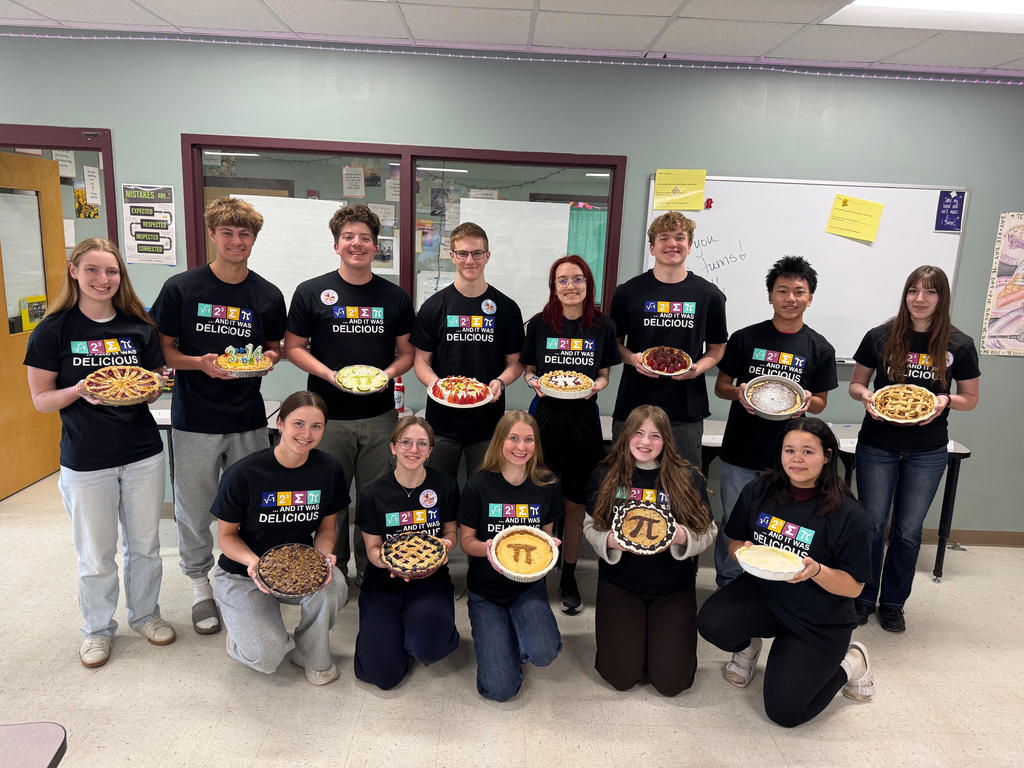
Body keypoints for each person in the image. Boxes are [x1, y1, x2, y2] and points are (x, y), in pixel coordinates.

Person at [24, 238, 174, 668]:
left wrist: (154, 385)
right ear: (74, 271)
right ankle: (97, 629)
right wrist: (79, 389)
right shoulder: (55, 330)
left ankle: (146, 614)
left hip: (143, 451)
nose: (103, 280)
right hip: (86, 457)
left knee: (145, 545)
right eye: (92, 270)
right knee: (95, 552)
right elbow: (41, 399)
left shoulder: (139, 327)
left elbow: (146, 391)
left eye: (111, 272)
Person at [150, 197, 286, 635]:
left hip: (248, 416)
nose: (236, 241)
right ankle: (198, 585)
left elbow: (275, 347)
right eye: (227, 233)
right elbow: (164, 349)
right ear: (212, 235)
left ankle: (244, 575)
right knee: (193, 507)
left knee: (253, 504)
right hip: (194, 417)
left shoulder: (266, 294)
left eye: (244, 234)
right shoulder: (182, 288)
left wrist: (268, 358)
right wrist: (200, 363)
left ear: (254, 240)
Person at [697, 419, 874, 728]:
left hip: (817, 618)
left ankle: (853, 662)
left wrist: (816, 571)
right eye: (789, 450)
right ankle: (748, 647)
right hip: (763, 595)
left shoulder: (850, 514)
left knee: (786, 712)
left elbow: (854, 587)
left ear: (827, 456)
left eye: (808, 451)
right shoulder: (760, 489)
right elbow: (735, 541)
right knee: (712, 622)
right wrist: (744, 553)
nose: (797, 459)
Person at [285, 204, 415, 581]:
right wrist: (328, 374)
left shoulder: (395, 297)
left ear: (377, 247)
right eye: (349, 237)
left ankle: (372, 567)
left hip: (379, 416)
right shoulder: (311, 292)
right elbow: (293, 347)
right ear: (336, 244)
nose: (357, 244)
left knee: (376, 496)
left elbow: (406, 353)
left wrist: (386, 375)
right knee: (332, 499)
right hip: (326, 417)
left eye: (365, 238)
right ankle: (334, 569)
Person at [848, 265, 980, 632]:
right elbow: (857, 385)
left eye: (930, 292)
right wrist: (868, 396)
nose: (920, 299)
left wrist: (944, 401)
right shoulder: (880, 336)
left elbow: (970, 398)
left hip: (928, 449)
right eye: (913, 291)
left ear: (942, 298)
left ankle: (892, 603)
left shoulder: (960, 344)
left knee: (907, 530)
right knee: (872, 525)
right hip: (877, 443)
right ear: (905, 294)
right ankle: (862, 596)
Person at [713, 256, 837, 586]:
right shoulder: (744, 338)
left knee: (779, 524)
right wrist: (738, 393)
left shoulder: (820, 347)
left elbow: (822, 403)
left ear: (810, 297)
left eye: (799, 291)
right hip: (741, 449)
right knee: (734, 521)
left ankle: (772, 585)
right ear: (770, 296)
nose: (790, 298)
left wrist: (810, 401)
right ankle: (729, 584)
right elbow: (721, 386)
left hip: (790, 456)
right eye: (782, 290)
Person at [211, 391, 348, 685]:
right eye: (298, 423)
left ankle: (309, 652)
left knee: (334, 583)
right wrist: (255, 563)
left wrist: (323, 556)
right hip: (242, 571)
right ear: (281, 423)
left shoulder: (329, 470)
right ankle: (242, 638)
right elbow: (226, 537)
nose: (306, 434)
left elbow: (326, 529)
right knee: (266, 656)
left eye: (316, 426)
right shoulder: (243, 474)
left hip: (297, 566)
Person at [583, 405, 716, 696]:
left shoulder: (686, 477)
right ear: (626, 435)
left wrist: (682, 537)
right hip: (620, 582)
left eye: (655, 436)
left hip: (673, 586)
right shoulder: (606, 475)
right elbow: (589, 525)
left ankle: (655, 643)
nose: (646, 442)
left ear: (666, 439)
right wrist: (610, 542)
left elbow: (709, 530)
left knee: (672, 683)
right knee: (620, 677)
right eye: (638, 433)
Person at [521, 254, 620, 615]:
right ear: (554, 287)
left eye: (577, 279)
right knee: (538, 498)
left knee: (576, 505)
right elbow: (530, 371)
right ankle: (533, 565)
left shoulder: (603, 326)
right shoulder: (539, 325)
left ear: (588, 284)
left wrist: (598, 384)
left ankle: (569, 574)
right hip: (544, 420)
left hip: (583, 423)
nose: (570, 286)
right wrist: (535, 383)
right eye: (562, 280)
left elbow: (605, 374)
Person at [458, 411, 564, 701]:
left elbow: (546, 536)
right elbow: (466, 541)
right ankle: (498, 633)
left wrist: (552, 546)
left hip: (528, 587)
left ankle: (518, 632)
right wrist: (488, 549)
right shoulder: (478, 484)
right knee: (500, 689)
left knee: (543, 653)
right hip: (486, 590)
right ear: (499, 441)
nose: (521, 447)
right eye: (513, 438)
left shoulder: (547, 483)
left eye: (529, 440)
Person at [609, 211, 727, 468]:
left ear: (690, 246)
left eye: (680, 237)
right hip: (634, 406)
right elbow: (614, 344)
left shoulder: (709, 295)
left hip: (685, 410)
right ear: (652, 247)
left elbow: (717, 349)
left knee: (684, 488)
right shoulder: (628, 292)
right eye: (664, 238)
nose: (672, 244)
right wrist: (633, 359)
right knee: (624, 485)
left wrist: (697, 369)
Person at [354, 416, 460, 689]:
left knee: (430, 648)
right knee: (384, 677)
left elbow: (449, 535)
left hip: (431, 576)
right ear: (393, 447)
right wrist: (395, 565)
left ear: (430, 450)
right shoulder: (373, 493)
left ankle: (412, 628)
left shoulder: (445, 485)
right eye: (406, 442)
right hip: (384, 579)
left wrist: (446, 547)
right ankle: (388, 629)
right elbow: (373, 549)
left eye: (422, 444)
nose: (414, 450)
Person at [411, 222, 525, 479]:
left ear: (487, 256)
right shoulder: (434, 306)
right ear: (452, 256)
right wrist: (442, 389)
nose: (469, 260)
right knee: (437, 492)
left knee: (484, 492)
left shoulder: (506, 308)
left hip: (488, 423)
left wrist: (499, 382)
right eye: (462, 253)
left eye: (477, 253)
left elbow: (515, 362)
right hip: (441, 423)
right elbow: (421, 361)